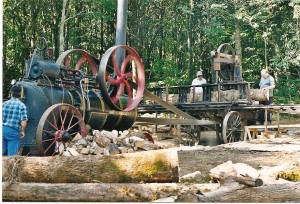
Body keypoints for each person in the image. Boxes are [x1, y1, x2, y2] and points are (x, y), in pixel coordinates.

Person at [2, 85, 28, 156]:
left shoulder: (4, 104)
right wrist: (22, 131)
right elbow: (23, 121)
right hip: (13, 132)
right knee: (11, 157)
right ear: (20, 94)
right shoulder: (21, 105)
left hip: (2, 129)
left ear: (11, 93)